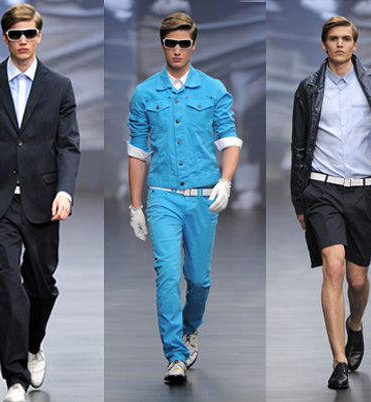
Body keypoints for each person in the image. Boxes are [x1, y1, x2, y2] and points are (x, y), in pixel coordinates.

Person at [291, 15, 371, 390]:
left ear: (354, 43)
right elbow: (298, 146)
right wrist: (298, 199)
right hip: (322, 189)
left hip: (364, 190)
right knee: (332, 267)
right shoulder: (308, 88)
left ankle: (355, 324)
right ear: (323, 44)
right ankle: (338, 360)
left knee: (357, 278)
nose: (340, 44)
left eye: (346, 38)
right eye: (333, 38)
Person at [0, 4, 80, 401]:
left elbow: (68, 144)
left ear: (39, 36)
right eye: (16, 34)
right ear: (5, 38)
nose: (23, 40)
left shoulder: (59, 85)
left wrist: (65, 190)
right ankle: (15, 377)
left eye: (30, 33)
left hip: (44, 199)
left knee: (42, 287)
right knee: (9, 283)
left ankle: (33, 344)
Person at [127, 12, 242, 383]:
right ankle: (175, 354)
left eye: (184, 43)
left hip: (203, 197)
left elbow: (230, 140)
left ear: (193, 45)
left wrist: (225, 182)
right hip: (162, 196)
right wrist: (135, 206)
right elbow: (137, 151)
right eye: (170, 43)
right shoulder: (145, 93)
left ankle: (190, 329)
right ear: (162, 45)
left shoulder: (213, 89)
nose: (177, 50)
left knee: (199, 280)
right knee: (166, 275)